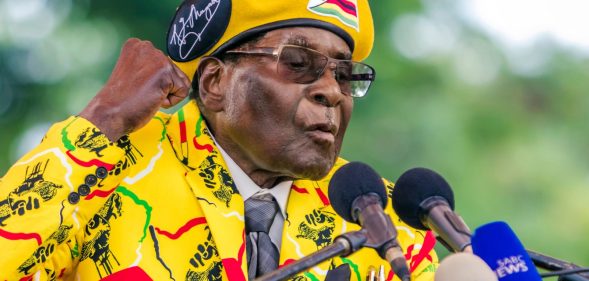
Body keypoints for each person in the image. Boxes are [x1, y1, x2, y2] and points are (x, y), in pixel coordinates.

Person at [0, 0, 438, 280]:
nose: (332, 91)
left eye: (345, 74)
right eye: (300, 63)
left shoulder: (386, 218)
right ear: (214, 82)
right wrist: (102, 120)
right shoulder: (109, 166)